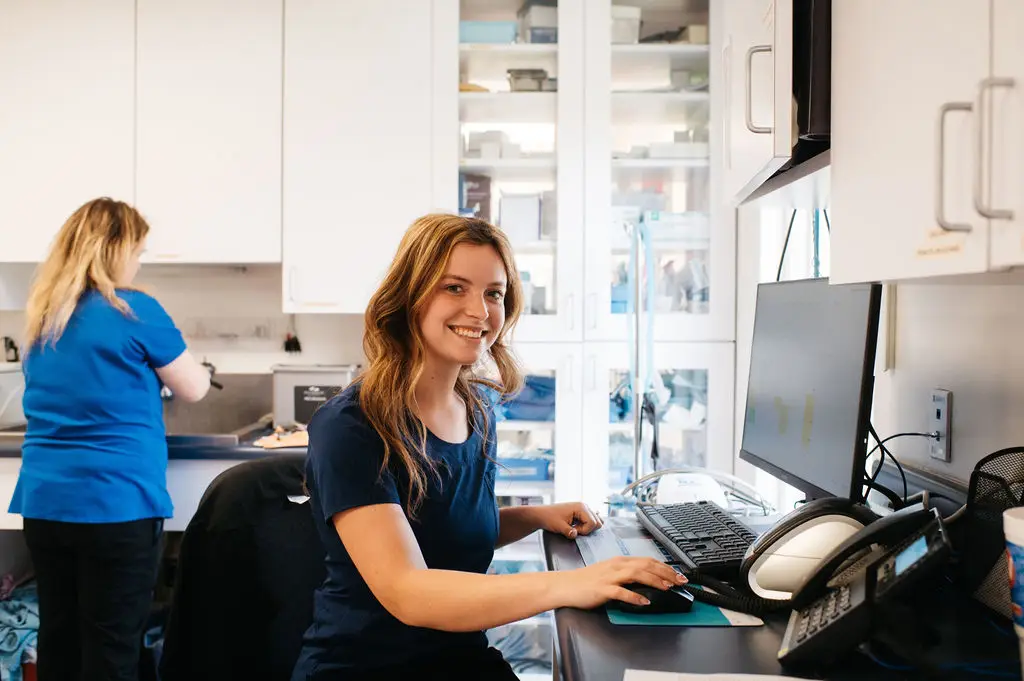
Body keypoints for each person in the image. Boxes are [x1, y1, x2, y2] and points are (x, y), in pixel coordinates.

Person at [292, 214, 685, 681]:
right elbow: (408, 590)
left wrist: (536, 516)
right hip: (365, 666)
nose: (480, 312)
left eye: (493, 293)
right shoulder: (352, 425)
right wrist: (575, 583)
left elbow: (442, 529)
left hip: (457, 656)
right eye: (454, 288)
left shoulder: (475, 408)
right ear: (409, 295)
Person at [8, 197, 213, 681]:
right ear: (117, 250)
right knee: (112, 645)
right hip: (115, 504)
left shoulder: (45, 314)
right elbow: (195, 387)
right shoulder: (133, 308)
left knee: (59, 636)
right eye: (138, 251)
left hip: (45, 503)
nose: (139, 262)